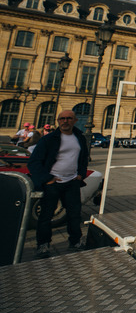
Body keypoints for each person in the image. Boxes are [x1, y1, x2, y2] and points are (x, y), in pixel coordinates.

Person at [28, 110, 89, 258]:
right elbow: (34, 162)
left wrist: (81, 174)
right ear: (58, 121)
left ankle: (75, 242)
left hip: (72, 182)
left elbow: (83, 158)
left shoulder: (79, 138)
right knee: (46, 216)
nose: (65, 121)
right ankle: (43, 245)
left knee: (74, 215)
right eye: (62, 119)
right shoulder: (49, 139)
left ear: (75, 120)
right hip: (53, 183)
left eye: (69, 118)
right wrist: (47, 179)